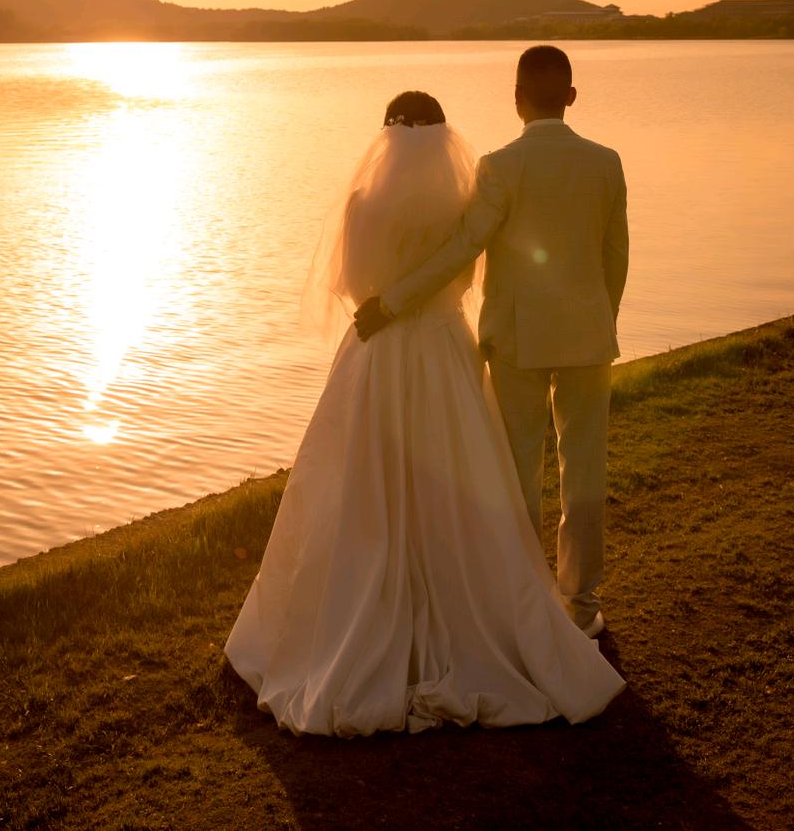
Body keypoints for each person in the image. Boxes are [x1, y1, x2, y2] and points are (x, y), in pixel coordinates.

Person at [224, 88, 625, 737]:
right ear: (443, 139)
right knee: (465, 480)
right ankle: (522, 605)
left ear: (384, 136)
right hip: (442, 348)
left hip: (377, 349)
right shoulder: (460, 203)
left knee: (360, 486)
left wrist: (389, 299)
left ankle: (357, 618)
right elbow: (462, 276)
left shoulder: (360, 203)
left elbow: (355, 286)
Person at [355, 46, 629, 637]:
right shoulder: (606, 163)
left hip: (516, 342)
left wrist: (393, 301)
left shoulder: (500, 167)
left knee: (517, 472)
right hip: (588, 339)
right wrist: (602, 322)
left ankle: (527, 596)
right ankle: (581, 605)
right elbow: (615, 259)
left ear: (516, 96)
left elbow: (463, 249)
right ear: (572, 98)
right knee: (585, 472)